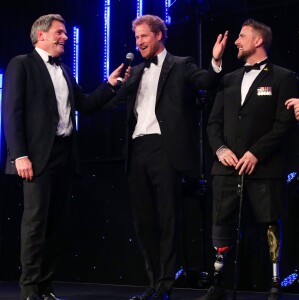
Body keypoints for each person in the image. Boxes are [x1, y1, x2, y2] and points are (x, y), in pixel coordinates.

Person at [2, 14, 129, 300]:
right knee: (35, 224)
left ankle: (45, 288)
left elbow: (85, 104)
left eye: (65, 33)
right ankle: (29, 291)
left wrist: (109, 85)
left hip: (64, 155)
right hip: (36, 157)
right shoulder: (21, 64)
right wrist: (19, 155)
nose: (66, 38)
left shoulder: (64, 70)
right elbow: (11, 112)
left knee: (56, 225)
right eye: (59, 33)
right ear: (41, 36)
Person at [106, 14, 228, 300]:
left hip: (165, 149)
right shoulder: (133, 71)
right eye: (136, 38)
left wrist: (215, 61)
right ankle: (152, 283)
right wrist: (110, 85)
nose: (139, 43)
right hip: (137, 150)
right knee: (144, 221)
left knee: (168, 218)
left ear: (159, 35)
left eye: (144, 36)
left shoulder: (181, 64)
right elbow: (111, 104)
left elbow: (206, 81)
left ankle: (165, 285)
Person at [198, 19, 299, 300]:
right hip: (227, 168)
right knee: (221, 221)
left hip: (265, 167)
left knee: (270, 221)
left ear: (258, 41)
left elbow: (284, 123)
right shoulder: (228, 79)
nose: (236, 42)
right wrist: (219, 150)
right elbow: (212, 123)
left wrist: (257, 152)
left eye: (242, 36)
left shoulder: (283, 76)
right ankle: (217, 283)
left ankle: (275, 284)